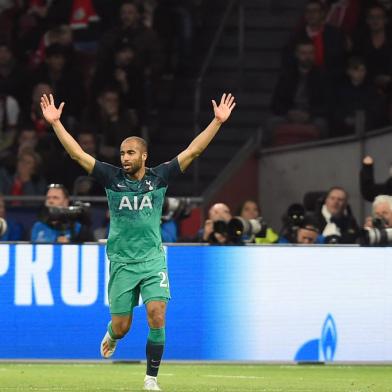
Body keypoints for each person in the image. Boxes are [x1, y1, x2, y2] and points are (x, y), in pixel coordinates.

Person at [40, 92, 236, 391]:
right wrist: (56, 124)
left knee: (157, 314)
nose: (125, 158)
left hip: (152, 259)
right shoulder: (111, 178)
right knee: (122, 326)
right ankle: (111, 334)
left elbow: (193, 151)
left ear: (144, 155)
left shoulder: (159, 177)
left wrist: (217, 122)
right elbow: (78, 155)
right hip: (121, 261)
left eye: (131, 153)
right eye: (122, 153)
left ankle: (151, 378)